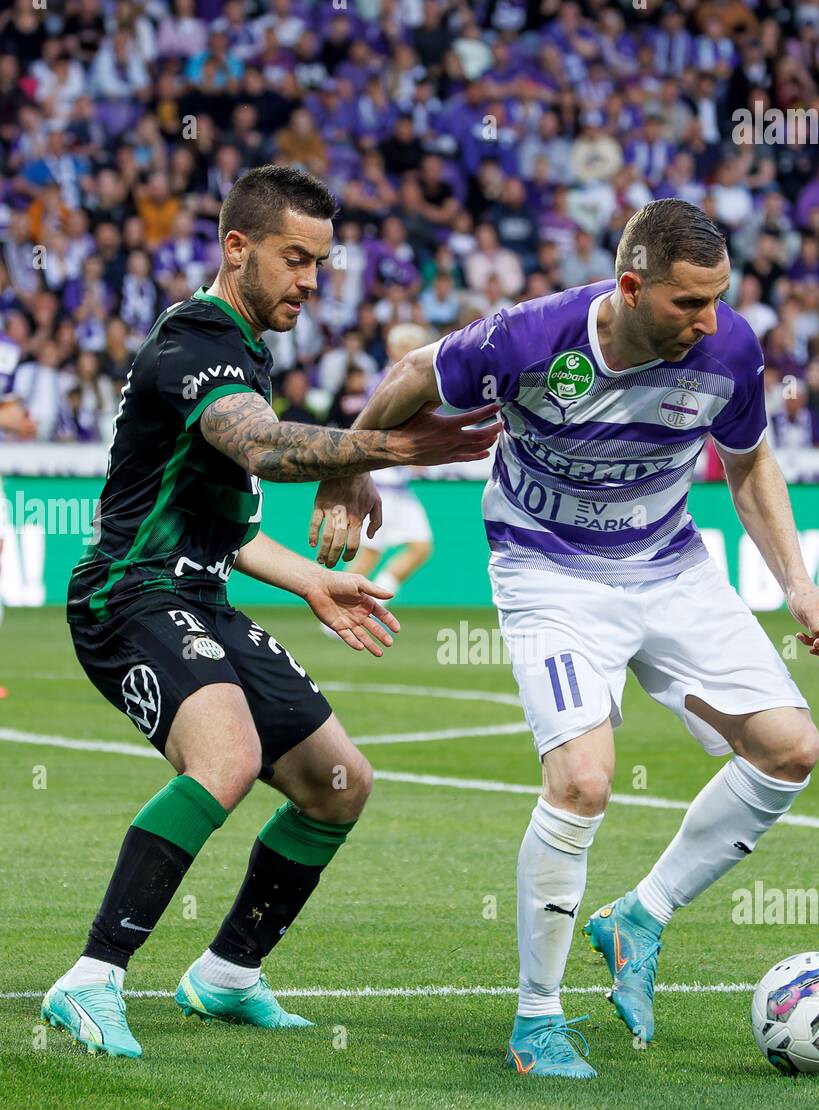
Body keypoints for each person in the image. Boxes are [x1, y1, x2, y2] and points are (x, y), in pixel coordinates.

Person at [315, 199, 819, 1080]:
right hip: (548, 572)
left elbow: (750, 464)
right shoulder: (529, 339)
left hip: (669, 564)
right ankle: (536, 1020)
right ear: (630, 286)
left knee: (790, 749)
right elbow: (414, 371)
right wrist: (348, 467)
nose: (708, 321)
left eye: (717, 299)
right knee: (582, 780)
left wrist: (797, 583)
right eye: (688, 303)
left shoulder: (729, 350)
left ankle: (637, 918)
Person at [42, 165, 499, 1059]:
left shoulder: (248, 346)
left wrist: (313, 582)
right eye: (296, 259)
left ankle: (226, 975)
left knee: (339, 785)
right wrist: (395, 445)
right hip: (125, 595)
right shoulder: (196, 340)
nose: (311, 282)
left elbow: (234, 526)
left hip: (199, 592)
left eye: (321, 264)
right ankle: (90, 977)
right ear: (237, 248)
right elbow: (261, 444)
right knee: (228, 758)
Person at [335, 323, 435, 602]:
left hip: (398, 482)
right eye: (409, 346)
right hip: (381, 480)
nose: (415, 351)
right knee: (370, 551)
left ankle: (371, 603)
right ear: (394, 349)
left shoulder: (411, 380)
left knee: (420, 547)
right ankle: (341, 607)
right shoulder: (387, 380)